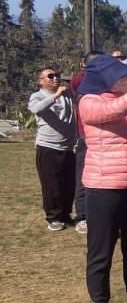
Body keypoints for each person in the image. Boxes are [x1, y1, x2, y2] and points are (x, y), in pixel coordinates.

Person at [77, 55, 127, 303]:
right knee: (101, 251)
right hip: (103, 186)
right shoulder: (90, 101)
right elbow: (112, 112)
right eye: (122, 76)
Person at [28, 66, 78, 230]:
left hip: (68, 147)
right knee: (52, 185)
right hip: (48, 147)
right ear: (40, 81)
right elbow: (36, 109)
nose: (55, 78)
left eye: (56, 75)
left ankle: (65, 214)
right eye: (50, 76)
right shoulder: (37, 96)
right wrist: (55, 96)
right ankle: (53, 217)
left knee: (69, 183)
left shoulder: (67, 95)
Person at [70, 51, 108, 234]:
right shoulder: (81, 80)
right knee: (83, 179)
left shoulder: (107, 82)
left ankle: (100, 215)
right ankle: (82, 216)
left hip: (106, 138)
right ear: (85, 64)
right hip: (86, 138)